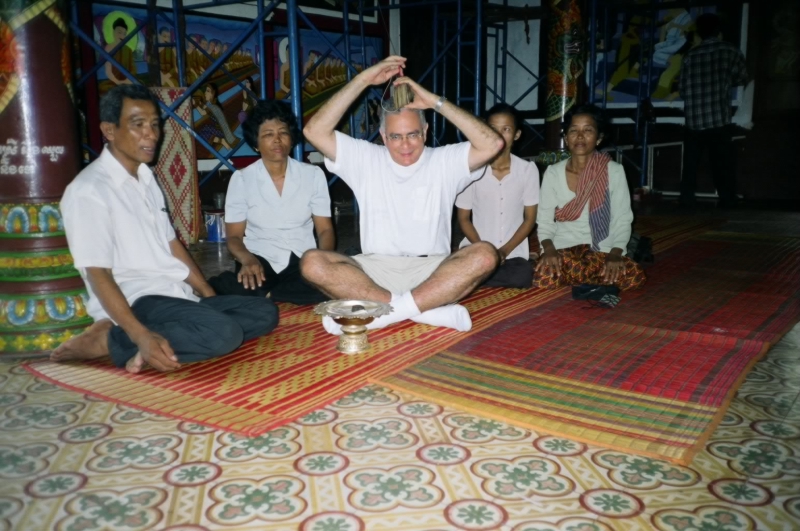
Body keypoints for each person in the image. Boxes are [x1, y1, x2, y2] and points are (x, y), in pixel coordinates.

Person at [52, 85, 278, 373]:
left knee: (264, 312)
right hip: (139, 299)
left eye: (155, 124)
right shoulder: (89, 190)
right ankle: (112, 340)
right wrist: (140, 335)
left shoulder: (146, 179)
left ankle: (141, 333)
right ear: (109, 130)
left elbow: (172, 245)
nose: (151, 134)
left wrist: (209, 297)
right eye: (138, 125)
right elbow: (97, 274)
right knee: (225, 333)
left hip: (172, 293)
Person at [300, 55, 504, 334]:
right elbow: (314, 130)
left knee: (484, 255)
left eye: (413, 135)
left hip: (432, 270)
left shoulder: (445, 159)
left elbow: (493, 143)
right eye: (395, 137)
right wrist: (363, 80)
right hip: (374, 271)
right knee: (312, 262)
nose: (405, 145)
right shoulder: (366, 157)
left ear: (425, 131)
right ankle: (422, 311)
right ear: (383, 137)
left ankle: (381, 315)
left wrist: (435, 102)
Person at [209, 100, 334, 305]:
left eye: (283, 132)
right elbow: (233, 237)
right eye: (268, 134)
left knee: (333, 284)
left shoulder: (313, 175)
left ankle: (270, 295)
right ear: (256, 144)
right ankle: (273, 292)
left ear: (292, 139)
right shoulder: (242, 179)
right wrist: (248, 260)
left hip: (303, 258)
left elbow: (325, 231)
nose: (277, 140)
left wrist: (324, 261)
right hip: (259, 258)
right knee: (249, 283)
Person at [534, 104, 646, 293]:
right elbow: (544, 221)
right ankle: (593, 278)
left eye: (588, 130)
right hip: (564, 247)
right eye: (573, 130)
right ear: (566, 138)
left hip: (603, 248)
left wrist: (616, 253)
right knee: (543, 278)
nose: (580, 136)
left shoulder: (614, 171)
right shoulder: (553, 173)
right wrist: (549, 250)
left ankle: (584, 276)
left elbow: (622, 219)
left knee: (634, 277)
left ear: (599, 138)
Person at [456, 103, 539, 288]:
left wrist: (502, 252)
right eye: (494, 129)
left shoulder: (527, 170)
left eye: (507, 129)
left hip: (510, 254)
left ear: (517, 134)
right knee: (465, 268)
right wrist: (482, 250)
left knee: (522, 276)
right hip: (476, 250)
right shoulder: (472, 169)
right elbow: (463, 219)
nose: (500, 135)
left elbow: (530, 219)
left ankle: (476, 280)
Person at [678, 12, 748, 208]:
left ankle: (686, 200)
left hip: (694, 119)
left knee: (690, 164)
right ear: (718, 31)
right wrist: (723, 82)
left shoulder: (690, 55)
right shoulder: (730, 51)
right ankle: (726, 200)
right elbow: (742, 77)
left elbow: (682, 89)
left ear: (699, 32)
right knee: (722, 163)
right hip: (718, 118)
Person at [197, 83, 237, 151]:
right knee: (205, 129)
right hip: (219, 128)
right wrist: (200, 103)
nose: (205, 93)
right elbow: (205, 107)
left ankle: (222, 141)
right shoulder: (212, 104)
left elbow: (203, 112)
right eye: (206, 91)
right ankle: (221, 141)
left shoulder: (213, 106)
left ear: (212, 94)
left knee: (202, 134)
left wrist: (196, 105)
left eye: (208, 91)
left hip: (221, 131)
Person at [104, 18, 135, 86]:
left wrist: (128, 80)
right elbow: (108, 70)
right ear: (113, 32)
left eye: (124, 34)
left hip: (128, 81)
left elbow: (133, 68)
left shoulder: (128, 49)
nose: (122, 36)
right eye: (119, 32)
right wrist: (117, 82)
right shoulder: (108, 48)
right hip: (113, 82)